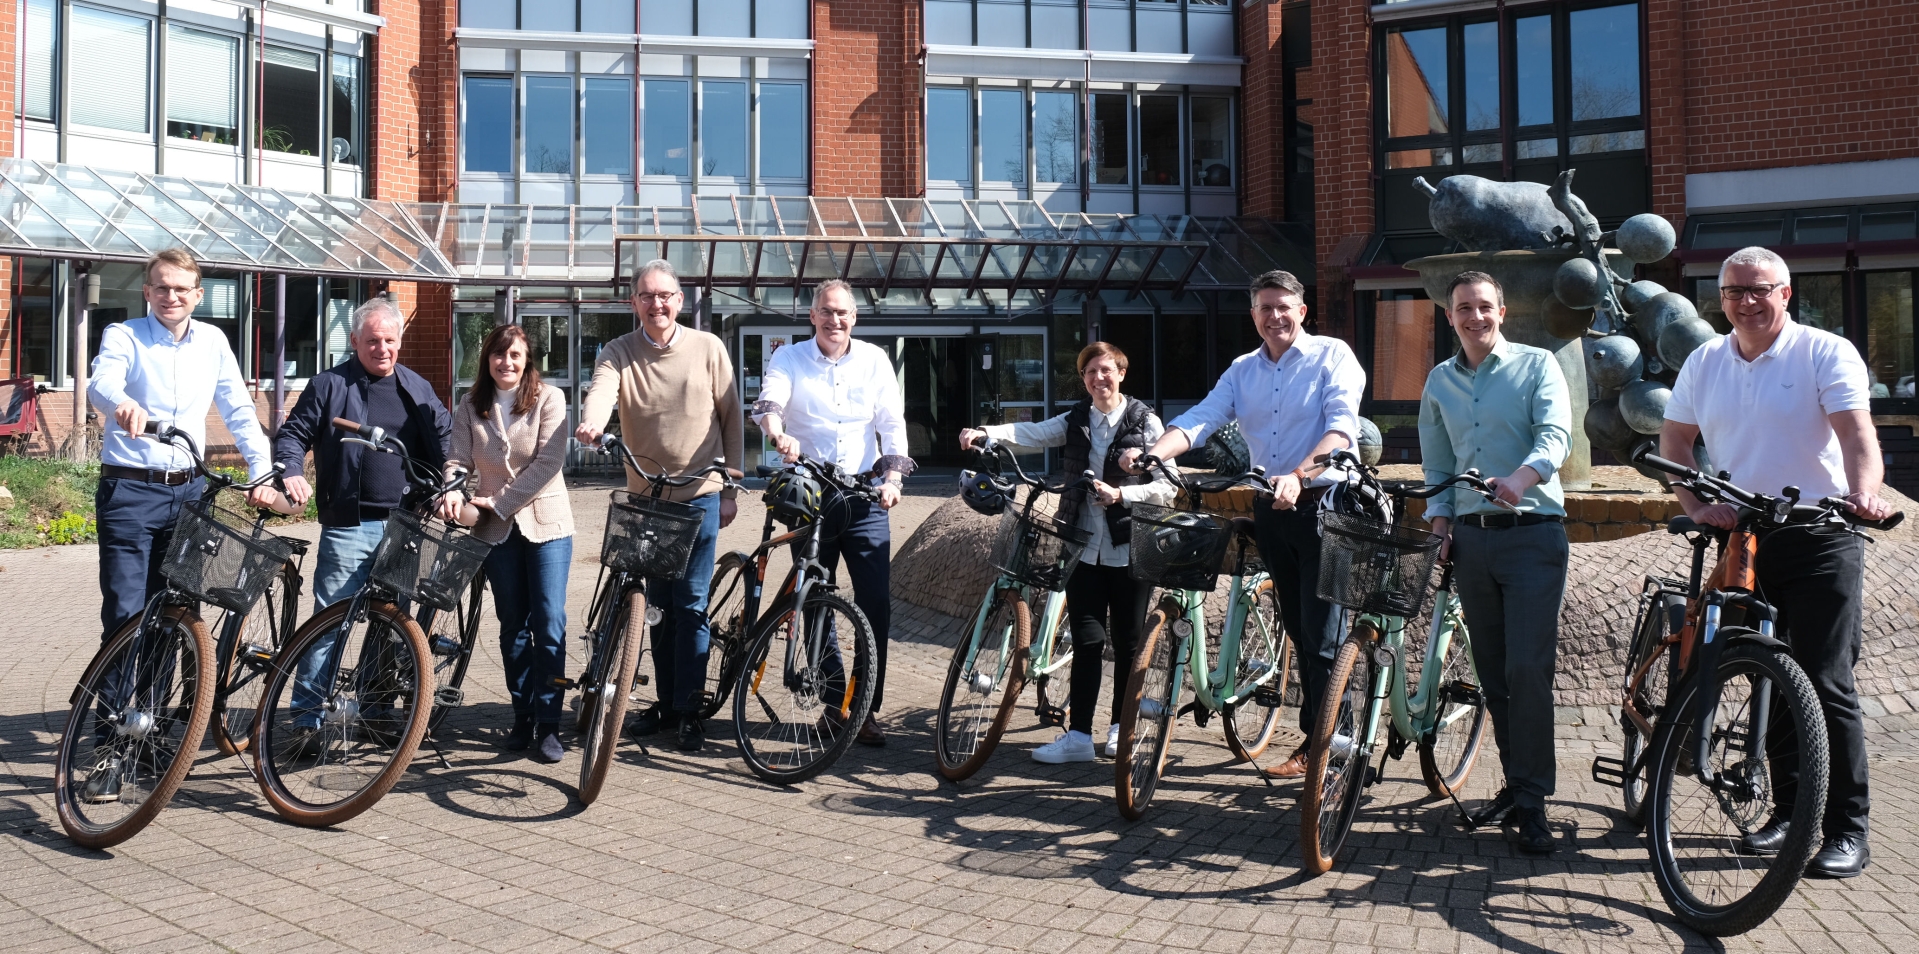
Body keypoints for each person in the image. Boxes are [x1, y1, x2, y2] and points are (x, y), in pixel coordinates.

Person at [1660, 245, 1893, 879]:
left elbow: (1855, 433)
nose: (1746, 301)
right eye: (1734, 291)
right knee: (1765, 675)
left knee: (1825, 680)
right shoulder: (1706, 359)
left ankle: (1848, 829)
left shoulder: (1824, 351)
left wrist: (1863, 492)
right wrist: (1699, 500)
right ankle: (1788, 813)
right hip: (1745, 537)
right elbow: (1675, 441)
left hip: (1819, 532)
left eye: (1759, 290)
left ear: (1785, 294)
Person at [1129, 269, 1364, 779]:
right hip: (1270, 507)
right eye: (1264, 307)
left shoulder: (1332, 355)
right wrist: (1155, 452)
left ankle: (1330, 748)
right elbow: (1202, 417)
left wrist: (1301, 474)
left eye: (1284, 306)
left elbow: (1342, 427)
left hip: (1325, 506)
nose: (1274, 316)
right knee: (1302, 632)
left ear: (1302, 311)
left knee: (1324, 635)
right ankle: (1329, 735)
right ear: (1253, 314)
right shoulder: (1243, 369)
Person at [958, 342, 1175, 763]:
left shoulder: (1145, 422)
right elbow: (1034, 432)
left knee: (1129, 643)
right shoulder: (1078, 418)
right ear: (1084, 379)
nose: (1099, 378)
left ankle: (1119, 728)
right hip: (1082, 546)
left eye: (1106, 370)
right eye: (1091, 372)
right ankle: (1078, 737)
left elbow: (1167, 486)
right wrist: (988, 433)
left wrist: (1123, 494)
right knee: (1088, 639)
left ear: (1122, 373)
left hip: (1129, 546)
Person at [1417, 270, 1572, 854]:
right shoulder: (1439, 380)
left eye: (1484, 306)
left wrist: (1522, 477)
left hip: (1532, 534)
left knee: (1527, 672)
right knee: (1494, 673)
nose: (1474, 317)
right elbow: (1436, 462)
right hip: (1472, 542)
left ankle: (1533, 804)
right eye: (1463, 308)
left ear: (1502, 311)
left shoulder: (1538, 365)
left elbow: (1556, 435)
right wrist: (1439, 526)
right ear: (1450, 316)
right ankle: (1516, 783)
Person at [577, 259, 744, 753]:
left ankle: (689, 709)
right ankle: (667, 703)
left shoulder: (709, 348)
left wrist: (731, 486)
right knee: (658, 608)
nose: (658, 304)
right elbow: (602, 391)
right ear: (634, 303)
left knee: (690, 607)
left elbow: (732, 418)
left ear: (680, 300)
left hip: (699, 497)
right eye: (647, 296)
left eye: (666, 295)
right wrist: (591, 424)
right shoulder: (619, 351)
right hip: (647, 503)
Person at [752, 280, 914, 746]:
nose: (834, 320)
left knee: (876, 606)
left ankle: (864, 708)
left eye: (842, 312)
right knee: (814, 598)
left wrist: (894, 480)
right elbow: (770, 401)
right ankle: (833, 701)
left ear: (854, 318)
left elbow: (890, 422)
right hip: (811, 495)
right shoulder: (790, 358)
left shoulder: (875, 360)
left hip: (864, 496)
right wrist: (779, 433)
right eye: (826, 311)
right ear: (812, 316)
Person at [88, 249, 278, 640]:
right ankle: (114, 703)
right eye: (161, 287)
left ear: (198, 295)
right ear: (147, 291)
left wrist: (261, 469)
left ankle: (155, 701)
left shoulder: (212, 340)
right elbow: (101, 381)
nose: (170, 296)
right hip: (130, 492)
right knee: (126, 611)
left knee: (177, 609)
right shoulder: (125, 335)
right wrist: (121, 403)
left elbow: (239, 409)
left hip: (191, 494)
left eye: (180, 289)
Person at [440, 324, 575, 764]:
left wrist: (498, 501)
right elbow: (457, 459)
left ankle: (551, 725)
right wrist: (452, 489)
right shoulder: (470, 403)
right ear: (487, 360)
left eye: (515, 355)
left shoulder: (549, 399)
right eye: (499, 355)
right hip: (495, 532)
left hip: (546, 524)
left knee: (550, 621)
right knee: (513, 624)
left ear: (527, 359)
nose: (507, 363)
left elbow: (549, 463)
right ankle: (523, 715)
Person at [275, 296, 452, 610]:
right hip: (350, 527)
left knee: (397, 630)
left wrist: (450, 487)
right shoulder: (328, 385)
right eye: (372, 340)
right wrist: (291, 469)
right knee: (329, 626)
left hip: (405, 526)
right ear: (355, 340)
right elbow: (293, 433)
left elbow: (446, 440)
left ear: (400, 341)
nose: (381, 348)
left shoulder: (418, 388)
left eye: (389, 340)